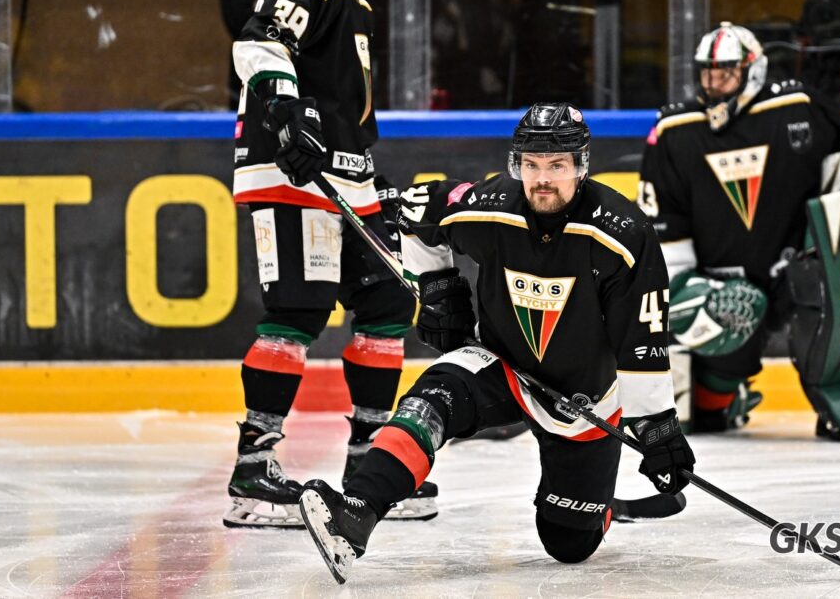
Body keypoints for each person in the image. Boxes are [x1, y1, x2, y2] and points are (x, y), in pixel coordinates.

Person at [297, 103, 695, 584]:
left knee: (568, 543)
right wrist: (438, 286)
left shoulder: (623, 235)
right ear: (516, 164)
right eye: (531, 165)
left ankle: (599, 508)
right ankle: (356, 512)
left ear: (581, 165)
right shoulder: (492, 205)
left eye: (557, 166)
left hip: (585, 398)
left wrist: (657, 430)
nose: (542, 179)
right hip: (501, 365)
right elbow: (423, 213)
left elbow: (642, 340)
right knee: (431, 400)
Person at [224, 0, 432, 529]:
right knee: (299, 307)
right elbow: (259, 43)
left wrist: (369, 175)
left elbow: (340, 105)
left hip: (344, 177)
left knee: (389, 299)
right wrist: (285, 117)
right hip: (292, 174)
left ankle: (369, 462)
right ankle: (254, 473)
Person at [638, 22, 840, 437]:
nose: (715, 83)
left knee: (828, 288)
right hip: (719, 285)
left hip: (790, 272)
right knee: (730, 329)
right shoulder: (675, 131)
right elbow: (662, 223)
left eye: (725, 73)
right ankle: (718, 398)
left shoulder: (797, 106)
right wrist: (680, 287)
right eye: (707, 74)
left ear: (752, 69)